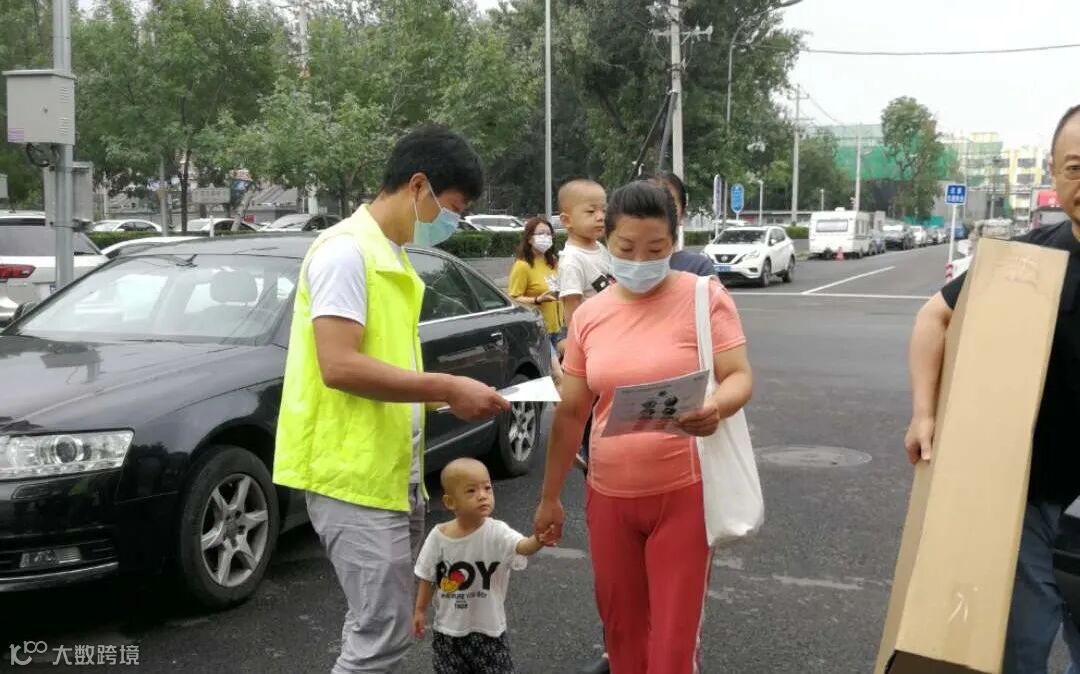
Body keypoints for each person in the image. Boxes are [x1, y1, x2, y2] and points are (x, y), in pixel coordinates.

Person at [273, 125, 511, 674]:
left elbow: (387, 369)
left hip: (387, 471)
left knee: (377, 625)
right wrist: (447, 387)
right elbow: (339, 365)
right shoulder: (346, 254)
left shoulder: (391, 256)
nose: (451, 224)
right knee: (382, 635)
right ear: (418, 185)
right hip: (350, 475)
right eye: (452, 209)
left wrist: (447, 401)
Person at [534, 181, 753, 673]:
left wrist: (717, 406)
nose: (640, 260)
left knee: (673, 648)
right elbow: (572, 411)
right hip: (609, 497)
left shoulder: (703, 297)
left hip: (683, 495)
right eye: (626, 247)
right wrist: (550, 497)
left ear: (674, 241)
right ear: (607, 241)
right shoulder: (590, 316)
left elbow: (739, 375)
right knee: (623, 637)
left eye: (656, 249)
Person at [905, 104, 1080, 674]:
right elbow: (933, 318)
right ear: (1053, 173)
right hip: (1025, 492)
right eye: (1075, 168)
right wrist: (924, 413)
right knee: (1020, 642)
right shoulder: (1029, 258)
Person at [413, 458, 553, 674]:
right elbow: (427, 576)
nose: (482, 495)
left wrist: (538, 539)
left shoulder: (498, 532)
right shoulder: (438, 536)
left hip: (489, 630)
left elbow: (522, 546)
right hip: (448, 631)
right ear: (450, 502)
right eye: (471, 491)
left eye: (487, 488)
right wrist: (420, 610)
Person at [556, 179, 612, 329]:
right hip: (593, 333)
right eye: (591, 211)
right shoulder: (571, 260)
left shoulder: (600, 248)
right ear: (567, 220)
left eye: (604, 210)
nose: (600, 217)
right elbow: (572, 311)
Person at [508, 217, 565, 353]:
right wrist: (537, 300)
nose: (545, 237)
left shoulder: (552, 261)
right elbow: (513, 298)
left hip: (558, 328)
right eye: (540, 233)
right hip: (538, 330)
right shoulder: (522, 265)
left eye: (548, 234)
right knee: (553, 366)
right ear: (529, 239)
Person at [646, 172, 716, 277]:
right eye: (649, 204)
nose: (658, 213)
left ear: (682, 213)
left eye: (669, 205)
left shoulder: (698, 268)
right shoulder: (623, 267)